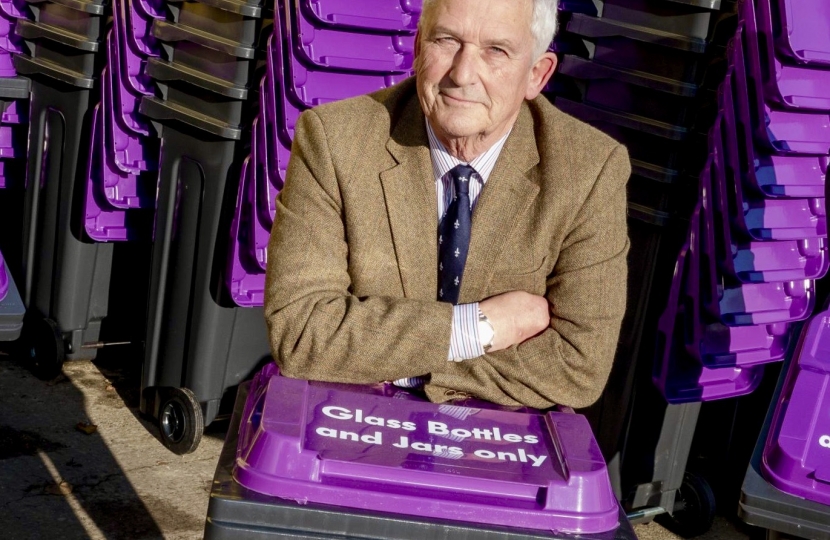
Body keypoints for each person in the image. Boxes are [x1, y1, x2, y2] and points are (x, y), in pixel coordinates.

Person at [264, 0, 631, 409]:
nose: (462, 74)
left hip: (496, 450)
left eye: (496, 51)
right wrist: (477, 329)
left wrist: (394, 362)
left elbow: (578, 368)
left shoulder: (589, 170)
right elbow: (301, 333)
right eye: (447, 40)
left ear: (536, 75)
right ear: (418, 47)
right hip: (353, 425)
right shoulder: (334, 141)